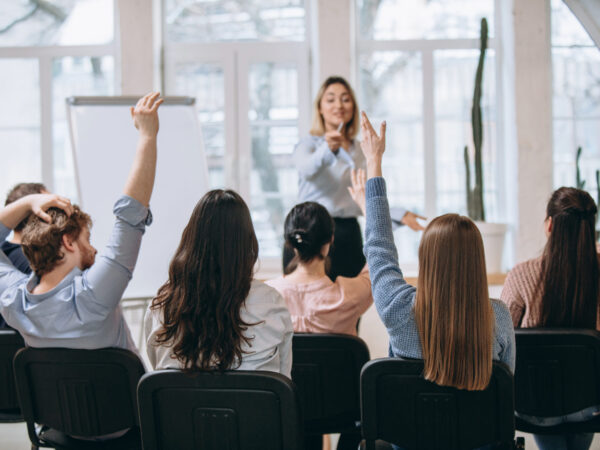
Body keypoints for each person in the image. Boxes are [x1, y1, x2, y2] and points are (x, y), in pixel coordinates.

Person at [360, 111, 514, 431]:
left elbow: (379, 250)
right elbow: (505, 397)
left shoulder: (398, 308)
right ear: (476, 262)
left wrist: (374, 164)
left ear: (426, 260)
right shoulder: (497, 318)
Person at [0, 92, 163, 352]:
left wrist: (26, 203)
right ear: (68, 242)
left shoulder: (15, 303)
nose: (95, 249)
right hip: (119, 395)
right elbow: (130, 216)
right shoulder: (94, 297)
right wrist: (148, 135)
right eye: (87, 239)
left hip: (49, 396)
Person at [288, 75, 424, 281]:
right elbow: (306, 169)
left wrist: (398, 214)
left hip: (348, 234)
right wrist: (327, 149)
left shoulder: (361, 150)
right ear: (320, 108)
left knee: (351, 307)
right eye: (331, 99)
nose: (339, 105)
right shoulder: (308, 145)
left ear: (353, 106)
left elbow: (367, 193)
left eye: (345, 99)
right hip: (311, 232)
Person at [145, 189, 293, 377]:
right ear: (247, 244)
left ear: (191, 240)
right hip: (251, 406)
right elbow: (284, 383)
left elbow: (161, 382)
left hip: (185, 406)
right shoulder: (272, 303)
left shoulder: (161, 307)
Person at [501, 187, 599, 450]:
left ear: (549, 225)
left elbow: (499, 340)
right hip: (591, 406)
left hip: (536, 406)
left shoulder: (521, 276)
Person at [267, 181, 372, 336]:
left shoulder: (268, 297)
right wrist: (366, 208)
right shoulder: (349, 297)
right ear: (331, 239)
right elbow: (380, 260)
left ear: (291, 243)